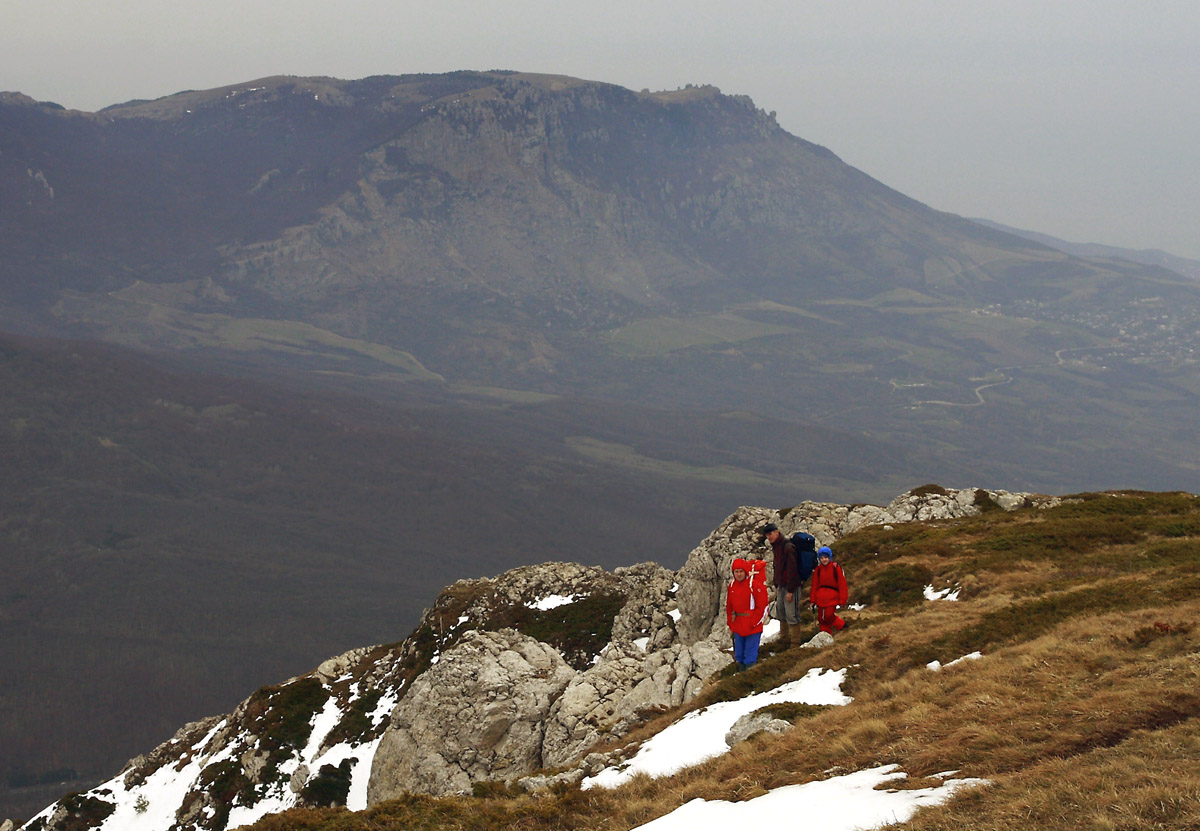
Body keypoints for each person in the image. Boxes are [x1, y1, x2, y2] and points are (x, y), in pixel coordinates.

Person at [762, 522, 802, 646]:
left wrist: (790, 590)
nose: (769, 537)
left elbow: (792, 569)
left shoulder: (787, 547)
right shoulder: (777, 546)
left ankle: (795, 643)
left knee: (791, 613)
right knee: (781, 611)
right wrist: (777, 584)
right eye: (767, 535)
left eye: (771, 534)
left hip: (791, 586)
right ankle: (784, 639)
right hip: (781, 586)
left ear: (777, 532)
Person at [727, 557, 769, 670]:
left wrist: (754, 622)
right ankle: (742, 678)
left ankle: (750, 679)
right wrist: (731, 624)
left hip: (752, 626)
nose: (739, 574)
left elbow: (763, 605)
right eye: (736, 571)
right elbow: (729, 607)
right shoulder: (731, 586)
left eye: (741, 571)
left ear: (745, 571)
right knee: (739, 655)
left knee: (750, 656)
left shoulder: (754, 585)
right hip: (739, 625)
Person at [809, 546, 849, 634]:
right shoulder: (818, 570)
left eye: (826, 557)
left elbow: (842, 585)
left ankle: (842, 625)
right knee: (821, 618)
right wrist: (813, 600)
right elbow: (814, 585)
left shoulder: (835, 568)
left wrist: (842, 600)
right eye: (822, 558)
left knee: (828, 616)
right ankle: (825, 634)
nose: (824, 560)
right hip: (820, 598)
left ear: (829, 557)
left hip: (832, 597)